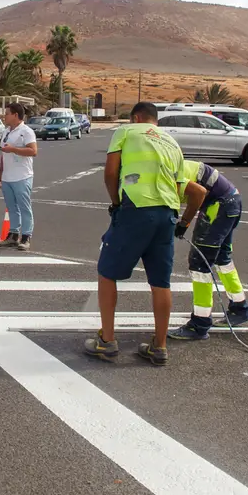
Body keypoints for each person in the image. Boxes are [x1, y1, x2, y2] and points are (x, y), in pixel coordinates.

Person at [85, 102, 192, 367]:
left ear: (136, 117)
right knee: (160, 281)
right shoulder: (172, 142)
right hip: (167, 211)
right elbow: (180, 186)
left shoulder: (126, 132)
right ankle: (160, 345)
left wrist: (116, 202)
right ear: (156, 120)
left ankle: (107, 341)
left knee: (107, 272)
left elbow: (111, 173)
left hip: (135, 207)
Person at [168, 158, 248, 341]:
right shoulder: (167, 163)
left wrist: (184, 223)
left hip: (219, 206)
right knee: (223, 259)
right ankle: (240, 308)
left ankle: (200, 324)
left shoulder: (165, 174)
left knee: (199, 265)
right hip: (230, 200)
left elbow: (198, 193)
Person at [0, 102, 37, 251]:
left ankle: (26, 236)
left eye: (7, 113)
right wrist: (0, 173)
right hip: (8, 176)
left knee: (24, 207)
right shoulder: (6, 131)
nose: (4, 116)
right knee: (11, 207)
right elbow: (3, 153)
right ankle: (13, 234)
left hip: (22, 176)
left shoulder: (26, 131)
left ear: (15, 115)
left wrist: (13, 149)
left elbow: (33, 151)